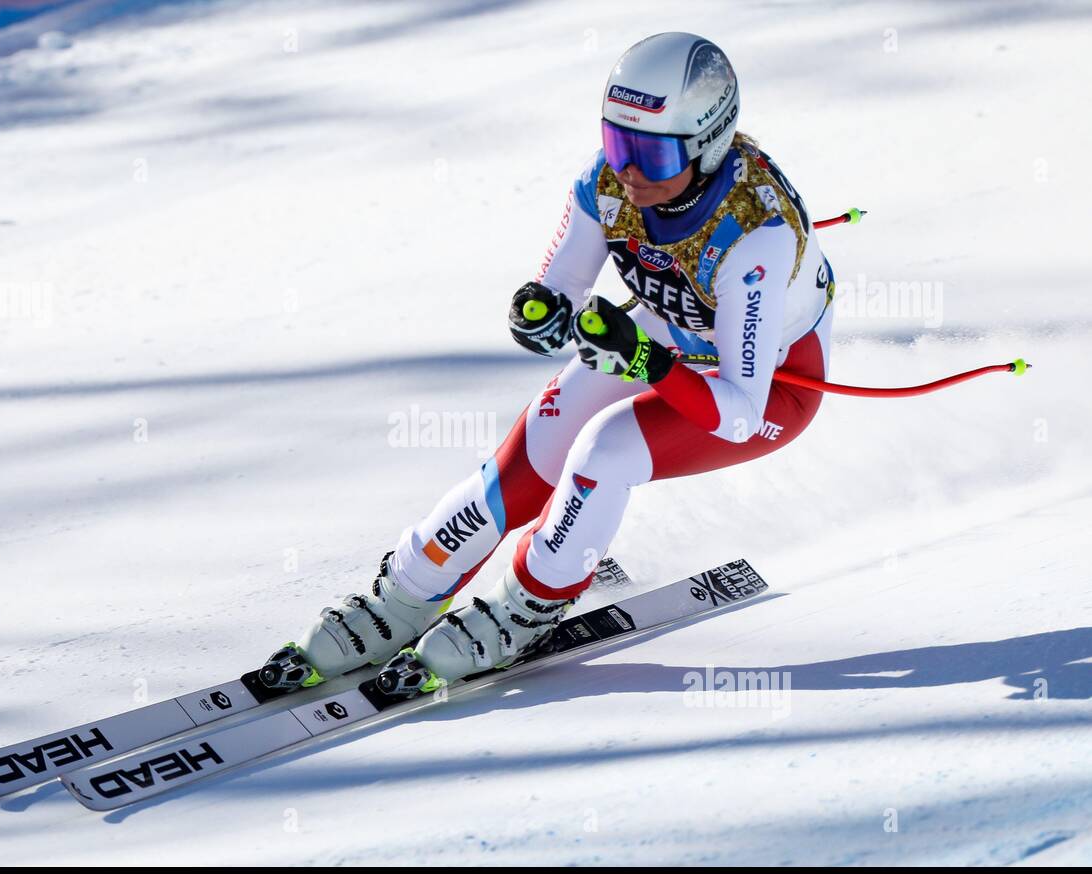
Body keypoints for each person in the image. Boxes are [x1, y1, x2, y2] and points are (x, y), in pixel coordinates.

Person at [259, 31, 835, 697]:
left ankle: (525, 606)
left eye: (650, 152)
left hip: (771, 387)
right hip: (672, 335)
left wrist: (643, 357)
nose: (630, 170)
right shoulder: (608, 185)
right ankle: (408, 591)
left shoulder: (755, 239)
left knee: (605, 451)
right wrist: (540, 311)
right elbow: (560, 283)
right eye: (619, 143)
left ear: (706, 144)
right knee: (544, 433)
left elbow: (739, 414)